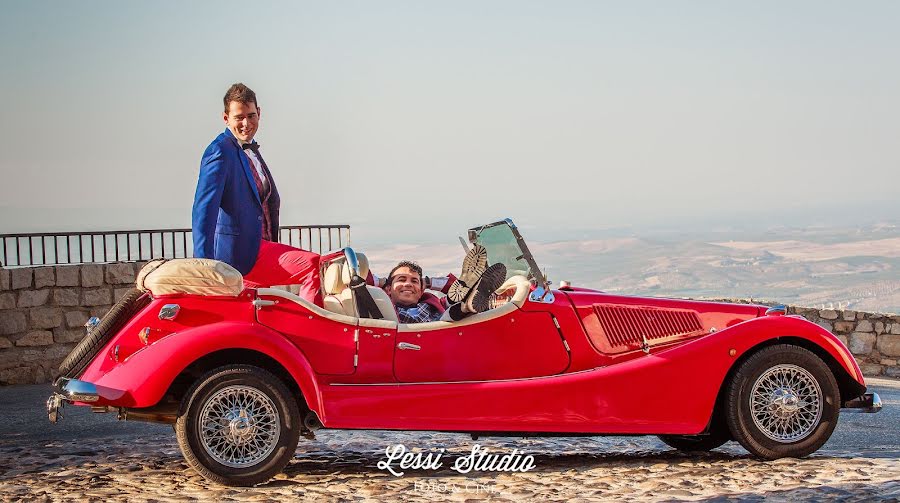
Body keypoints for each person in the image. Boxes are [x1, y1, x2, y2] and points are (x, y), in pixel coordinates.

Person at [192, 83, 321, 305]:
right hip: (241, 256)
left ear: (259, 113)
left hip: (261, 245)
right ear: (226, 118)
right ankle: (313, 333)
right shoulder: (220, 151)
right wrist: (204, 268)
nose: (246, 123)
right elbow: (204, 210)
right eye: (239, 117)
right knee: (313, 267)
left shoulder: (250, 151)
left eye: (251, 116)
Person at [384, 260, 507, 323]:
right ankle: (468, 305)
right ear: (389, 289)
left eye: (414, 281)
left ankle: (469, 294)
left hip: (443, 330)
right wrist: (382, 282)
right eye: (401, 279)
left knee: (453, 300)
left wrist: (428, 281)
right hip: (419, 335)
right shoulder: (380, 308)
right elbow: (364, 280)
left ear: (421, 291)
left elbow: (453, 290)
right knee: (454, 309)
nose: (408, 284)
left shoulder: (431, 304)